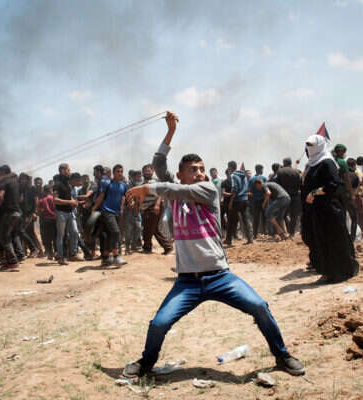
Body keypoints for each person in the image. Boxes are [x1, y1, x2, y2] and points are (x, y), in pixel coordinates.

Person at [122, 111, 305, 378]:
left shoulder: (207, 190)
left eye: (202, 169)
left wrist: (149, 188)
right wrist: (171, 132)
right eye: (193, 170)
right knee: (159, 323)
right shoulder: (174, 192)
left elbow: (176, 189)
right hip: (187, 282)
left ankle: (283, 355)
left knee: (259, 307)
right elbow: (159, 163)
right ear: (180, 174)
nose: (200, 173)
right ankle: (145, 363)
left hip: (220, 277)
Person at [301, 134, 359, 283]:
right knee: (321, 240)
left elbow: (333, 185)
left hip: (330, 209)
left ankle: (340, 272)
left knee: (334, 240)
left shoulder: (327, 163)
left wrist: (314, 192)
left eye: (312, 145)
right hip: (318, 210)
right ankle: (327, 271)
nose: (309, 148)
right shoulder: (313, 164)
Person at [92, 164, 128, 266]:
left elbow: (124, 196)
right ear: (113, 173)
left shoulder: (123, 185)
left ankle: (105, 258)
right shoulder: (107, 183)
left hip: (117, 213)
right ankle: (116, 257)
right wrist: (94, 208)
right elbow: (101, 197)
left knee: (109, 235)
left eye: (121, 171)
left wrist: (122, 208)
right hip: (107, 212)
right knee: (115, 232)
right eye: (118, 171)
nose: (120, 173)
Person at [0, 165, 24, 270]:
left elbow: (0, 197)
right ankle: (12, 259)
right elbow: (20, 198)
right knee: (9, 236)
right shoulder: (16, 183)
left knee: (4, 238)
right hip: (17, 212)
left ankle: (13, 262)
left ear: (3, 172)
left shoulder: (5, 182)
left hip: (9, 213)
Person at [140, 164, 173, 255]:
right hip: (146, 208)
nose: (147, 172)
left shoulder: (156, 182)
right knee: (153, 228)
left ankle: (147, 247)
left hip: (154, 207)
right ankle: (167, 247)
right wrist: (141, 207)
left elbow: (160, 193)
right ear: (143, 172)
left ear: (152, 171)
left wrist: (157, 204)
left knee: (148, 228)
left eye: (149, 170)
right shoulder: (142, 183)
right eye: (145, 171)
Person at [53, 163, 79, 265]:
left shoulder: (67, 183)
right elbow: (55, 200)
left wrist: (74, 201)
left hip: (70, 212)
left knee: (75, 232)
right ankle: (61, 257)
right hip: (61, 213)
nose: (70, 172)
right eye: (68, 170)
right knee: (61, 236)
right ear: (63, 171)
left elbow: (68, 196)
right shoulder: (57, 184)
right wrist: (70, 202)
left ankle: (73, 254)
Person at [225, 161, 253, 245]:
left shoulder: (233, 175)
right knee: (246, 219)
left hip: (237, 200)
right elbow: (246, 187)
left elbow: (235, 189)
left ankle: (228, 239)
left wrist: (231, 202)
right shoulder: (244, 174)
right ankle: (250, 239)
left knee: (231, 220)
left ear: (230, 168)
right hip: (245, 199)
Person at [333, 144, 357, 241]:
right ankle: (349, 237)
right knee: (350, 215)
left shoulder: (330, 160)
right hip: (342, 191)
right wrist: (352, 194)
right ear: (341, 152)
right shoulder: (342, 162)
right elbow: (346, 179)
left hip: (332, 191)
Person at [275, 158, 302, 237]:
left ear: (284, 163)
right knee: (294, 216)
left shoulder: (280, 171)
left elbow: (277, 185)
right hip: (295, 196)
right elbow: (300, 184)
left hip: (284, 196)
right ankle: (292, 233)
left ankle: (284, 232)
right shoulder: (297, 172)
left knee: (282, 215)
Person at [38, 185, 57, 260]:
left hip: (45, 220)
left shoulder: (41, 200)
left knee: (47, 238)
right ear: (50, 190)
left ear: (44, 191)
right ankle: (57, 252)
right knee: (55, 237)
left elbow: (39, 211)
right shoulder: (53, 199)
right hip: (54, 219)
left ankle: (50, 254)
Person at [249, 165, 267, 238]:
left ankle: (255, 233)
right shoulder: (264, 178)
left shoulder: (251, 179)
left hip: (255, 201)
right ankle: (265, 232)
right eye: (262, 169)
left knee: (256, 218)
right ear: (260, 170)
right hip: (263, 200)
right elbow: (266, 189)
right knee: (264, 217)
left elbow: (249, 191)